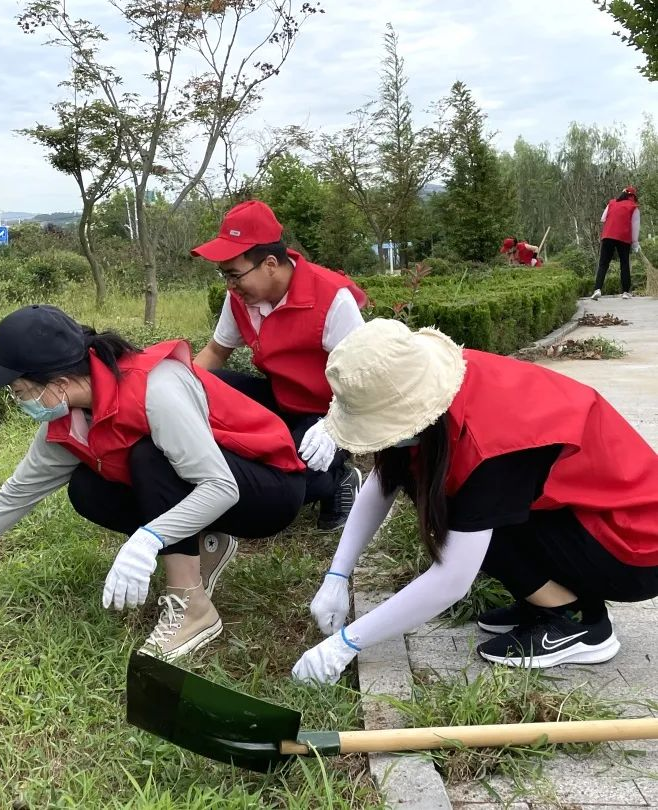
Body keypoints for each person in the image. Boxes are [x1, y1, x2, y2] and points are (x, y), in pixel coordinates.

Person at [0, 305, 306, 661]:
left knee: (148, 457)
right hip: (215, 490)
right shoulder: (66, 420)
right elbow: (15, 495)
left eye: (21, 390)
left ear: (59, 383)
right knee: (87, 489)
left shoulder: (155, 389)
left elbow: (220, 487)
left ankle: (193, 608)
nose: (17, 400)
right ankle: (205, 544)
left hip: (269, 488)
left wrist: (147, 539)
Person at [291, 318, 658, 684]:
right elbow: (386, 476)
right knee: (451, 498)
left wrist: (346, 644)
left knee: (464, 513)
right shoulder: (436, 384)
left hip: (632, 545)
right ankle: (547, 597)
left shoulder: (492, 443)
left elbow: (453, 578)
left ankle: (575, 622)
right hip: (587, 518)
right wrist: (337, 575)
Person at [192, 200, 368, 532]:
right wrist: (176, 389)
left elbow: (365, 377)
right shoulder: (242, 300)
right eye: (224, 275)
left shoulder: (332, 299)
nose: (230, 286)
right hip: (281, 399)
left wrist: (334, 425)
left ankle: (338, 477)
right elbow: (216, 352)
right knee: (203, 386)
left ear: (270, 263)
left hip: (332, 412)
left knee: (290, 482)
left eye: (234, 274)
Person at [592, 186, 641, 300]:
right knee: (624, 264)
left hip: (608, 235)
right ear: (632, 196)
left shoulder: (612, 203)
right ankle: (625, 292)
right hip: (623, 237)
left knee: (603, 264)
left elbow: (603, 218)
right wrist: (635, 243)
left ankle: (597, 289)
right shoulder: (634, 207)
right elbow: (635, 227)